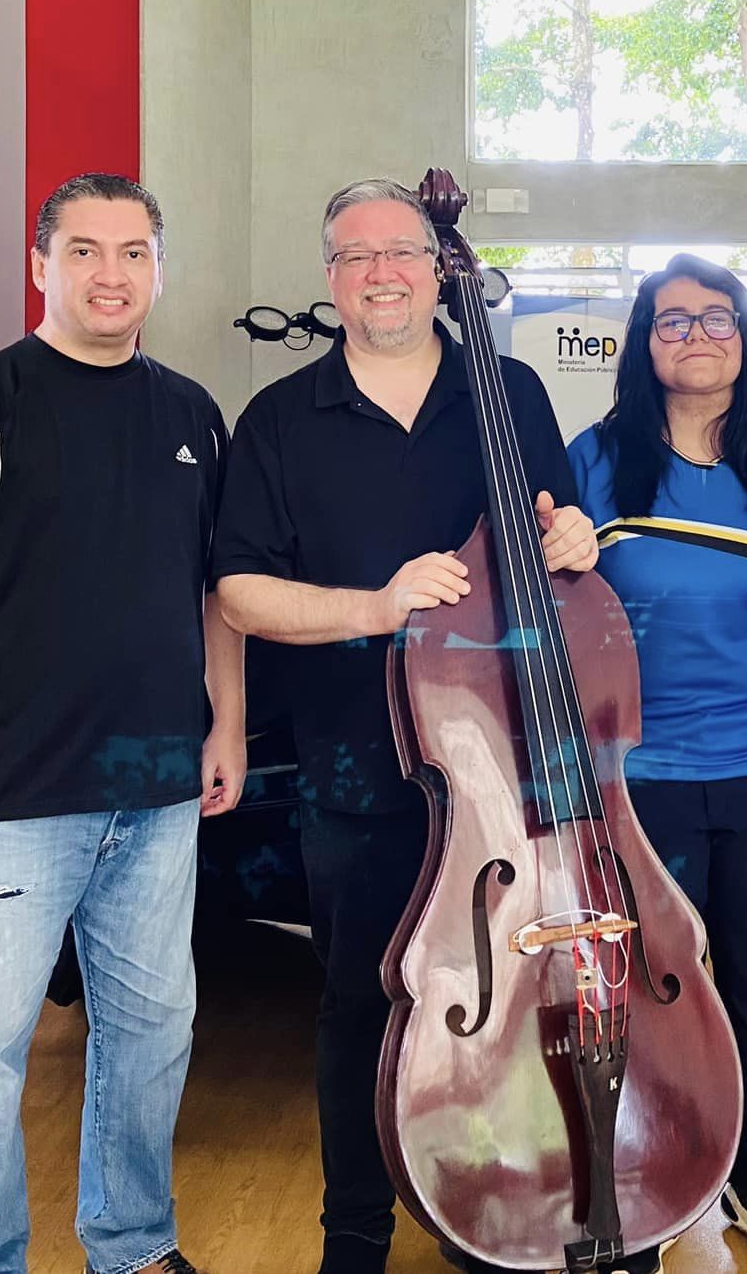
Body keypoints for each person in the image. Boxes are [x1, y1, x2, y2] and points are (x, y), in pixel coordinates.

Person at [211, 178, 598, 1274]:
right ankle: (356, 1233)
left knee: (515, 1001)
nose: (381, 270)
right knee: (361, 1003)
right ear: (330, 280)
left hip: (512, 765)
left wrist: (575, 539)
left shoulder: (511, 392)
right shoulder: (281, 418)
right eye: (353, 254)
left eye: (401, 251)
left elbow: (556, 539)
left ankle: (493, 1213)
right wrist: (373, 608)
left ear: (438, 268)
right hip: (357, 769)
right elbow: (237, 591)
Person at [0, 174, 244, 1274]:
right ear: (41, 265)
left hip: (160, 787)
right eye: (83, 251)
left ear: (158, 270)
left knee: (150, 1034)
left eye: (132, 252)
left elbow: (214, 593)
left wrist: (224, 725)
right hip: (15, 794)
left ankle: (131, 1243)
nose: (110, 274)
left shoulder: (190, 413)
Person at [565, 255, 747, 1274]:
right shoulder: (594, 460)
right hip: (636, 775)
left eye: (715, 316)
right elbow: (559, 611)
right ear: (643, 342)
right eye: (671, 319)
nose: (694, 334)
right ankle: (639, 1187)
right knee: (641, 990)